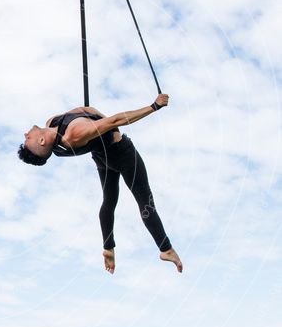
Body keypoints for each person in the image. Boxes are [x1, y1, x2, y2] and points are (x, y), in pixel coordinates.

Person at [18, 93, 183, 274]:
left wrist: (99, 125)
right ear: (41, 141)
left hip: (102, 158)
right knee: (145, 201)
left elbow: (86, 110)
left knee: (109, 201)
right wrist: (154, 106)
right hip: (122, 154)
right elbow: (116, 121)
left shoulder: (51, 121)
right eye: (27, 139)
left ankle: (108, 248)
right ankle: (165, 249)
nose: (26, 133)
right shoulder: (74, 134)